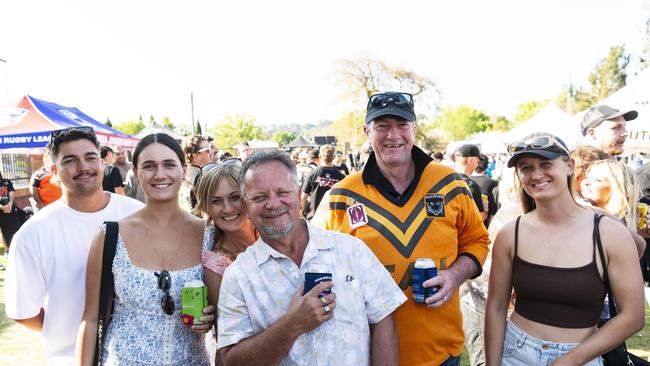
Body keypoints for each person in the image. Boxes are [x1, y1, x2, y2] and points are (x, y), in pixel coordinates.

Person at [312, 91, 490, 366]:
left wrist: (455, 275)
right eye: (382, 126)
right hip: (368, 355)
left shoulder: (450, 184)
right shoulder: (340, 198)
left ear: (414, 130)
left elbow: (477, 240)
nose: (393, 135)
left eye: (402, 125)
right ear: (367, 131)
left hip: (442, 355)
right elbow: (314, 263)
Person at [217, 150, 406, 365]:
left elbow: (383, 319)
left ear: (298, 195)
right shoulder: (239, 276)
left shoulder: (351, 250)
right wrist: (292, 325)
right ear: (245, 207)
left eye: (282, 192)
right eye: (260, 197)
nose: (273, 203)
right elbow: (228, 361)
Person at [485, 132, 645, 365]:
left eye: (546, 164)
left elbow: (633, 316)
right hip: (516, 354)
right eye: (525, 167)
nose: (536, 174)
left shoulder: (609, 234)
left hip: (583, 356)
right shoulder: (511, 233)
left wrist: (570, 360)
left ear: (570, 166)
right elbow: (497, 307)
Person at [4, 126, 144, 365]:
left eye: (90, 157)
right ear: (54, 171)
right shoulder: (33, 234)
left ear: (101, 162)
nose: (83, 167)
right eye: (70, 160)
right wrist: (64, 329)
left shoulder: (137, 215)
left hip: (138, 355)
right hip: (68, 358)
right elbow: (24, 312)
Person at [76, 133, 213, 365]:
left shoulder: (209, 236)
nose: (160, 174)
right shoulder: (110, 236)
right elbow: (90, 319)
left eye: (169, 164)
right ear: (137, 173)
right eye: (149, 166)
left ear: (184, 168)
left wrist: (213, 315)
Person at [193, 163, 258, 365]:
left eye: (234, 197)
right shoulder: (217, 265)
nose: (228, 208)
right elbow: (227, 340)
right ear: (207, 208)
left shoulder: (274, 238)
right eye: (216, 201)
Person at [580, 159, 647, 257]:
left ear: (618, 189)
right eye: (586, 177)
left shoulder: (623, 224)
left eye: (597, 180)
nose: (586, 182)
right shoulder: (580, 213)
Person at [300, 144, 346, 221]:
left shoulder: (312, 174)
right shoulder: (341, 177)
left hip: (314, 218)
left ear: (320, 157)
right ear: (334, 157)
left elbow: (303, 197)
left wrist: (300, 214)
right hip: (333, 219)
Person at [454, 144, 489, 223]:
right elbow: (478, 219)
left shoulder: (445, 179)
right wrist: (485, 211)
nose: (477, 165)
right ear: (471, 161)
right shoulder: (470, 186)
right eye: (477, 162)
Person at [181, 135, 213, 211]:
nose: (212, 152)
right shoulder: (199, 177)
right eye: (208, 150)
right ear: (195, 156)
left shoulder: (187, 175)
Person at [0, 170, 23, 255]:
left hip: (10, 209)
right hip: (1, 211)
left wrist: (10, 204)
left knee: (16, 228)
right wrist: (2, 207)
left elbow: (11, 193)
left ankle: (18, 247)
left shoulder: (6, 182)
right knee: (3, 230)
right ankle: (7, 250)